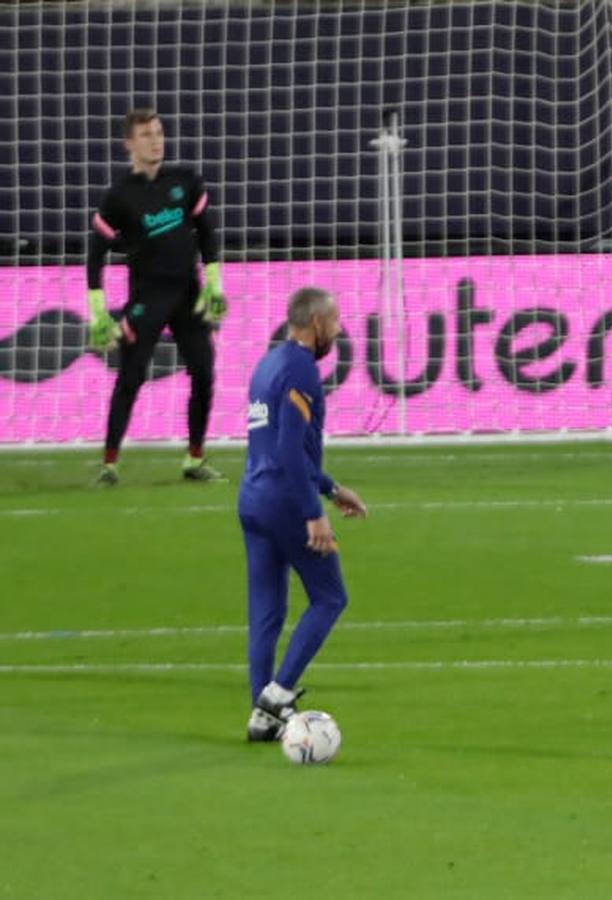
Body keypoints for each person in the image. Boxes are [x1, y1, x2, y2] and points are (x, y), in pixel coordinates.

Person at [238, 287, 367, 741]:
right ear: (315, 323)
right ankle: (278, 694)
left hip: (252, 499)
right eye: (334, 321)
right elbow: (290, 450)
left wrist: (331, 488)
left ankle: (261, 716)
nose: (337, 329)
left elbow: (273, 447)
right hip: (285, 502)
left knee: (266, 612)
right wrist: (314, 513)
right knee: (331, 597)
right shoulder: (301, 371)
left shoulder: (266, 365)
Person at [86, 108, 228, 485]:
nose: (156, 141)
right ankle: (110, 463)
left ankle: (194, 459)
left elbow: (207, 234)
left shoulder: (185, 181)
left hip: (189, 295)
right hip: (147, 299)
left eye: (160, 132)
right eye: (147, 135)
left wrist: (214, 283)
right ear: (129, 144)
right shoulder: (119, 196)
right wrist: (99, 312)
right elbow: (95, 254)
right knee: (131, 377)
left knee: (204, 372)